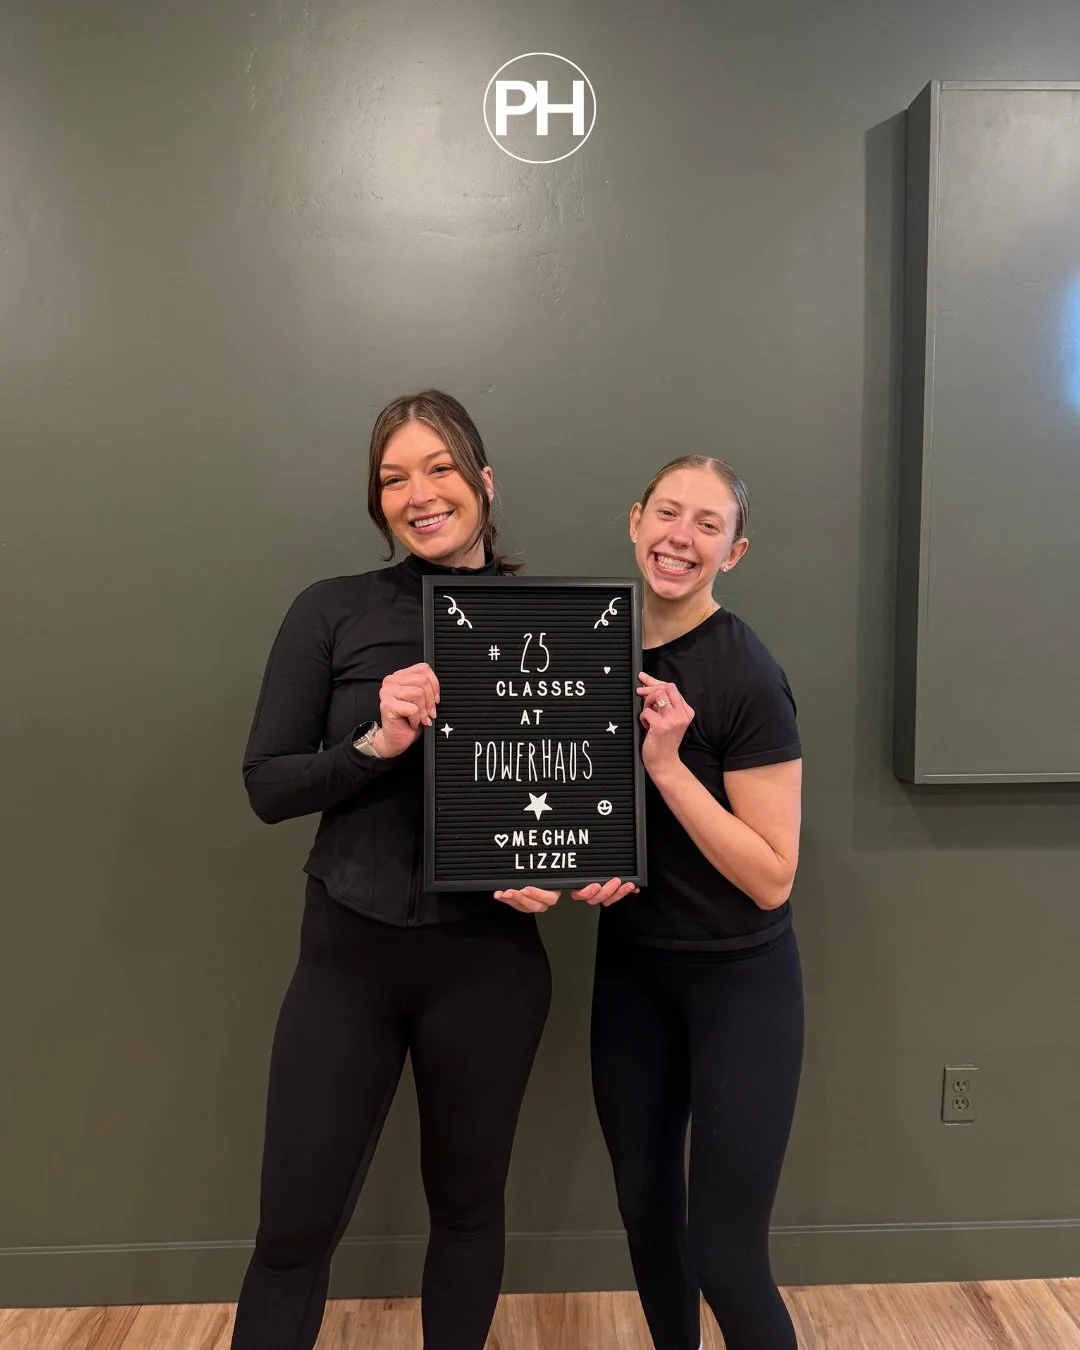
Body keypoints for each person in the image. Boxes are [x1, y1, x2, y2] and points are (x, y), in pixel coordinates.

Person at [230, 390, 568, 1350]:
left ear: (484, 481)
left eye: (440, 467)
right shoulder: (330, 609)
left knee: (468, 1208)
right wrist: (375, 743)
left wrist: (562, 870)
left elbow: (577, 796)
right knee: (292, 1229)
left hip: (490, 966)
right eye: (393, 478)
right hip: (348, 957)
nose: (419, 494)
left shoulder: (556, 623)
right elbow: (267, 785)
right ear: (377, 502)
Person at [576, 455, 804, 1350]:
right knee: (645, 1215)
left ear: (733, 552)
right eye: (668, 514)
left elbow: (772, 875)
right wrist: (560, 867)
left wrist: (668, 767)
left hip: (738, 985)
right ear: (635, 520)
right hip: (633, 973)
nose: (681, 538)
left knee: (727, 1256)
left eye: (708, 525)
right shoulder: (590, 650)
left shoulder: (746, 675)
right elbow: (574, 808)